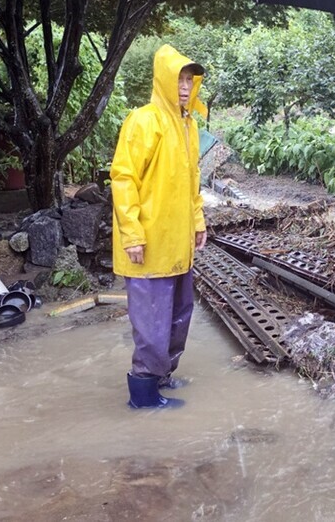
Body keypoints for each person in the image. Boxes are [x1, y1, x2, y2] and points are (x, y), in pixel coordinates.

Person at [110, 44, 208, 409]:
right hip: (148, 243)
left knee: (179, 314)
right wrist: (132, 234)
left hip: (178, 243)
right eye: (178, 78)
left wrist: (198, 222)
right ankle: (144, 396)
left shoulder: (189, 125)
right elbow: (123, 179)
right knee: (151, 324)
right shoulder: (144, 121)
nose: (185, 87)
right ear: (163, 80)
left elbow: (192, 182)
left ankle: (162, 376)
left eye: (189, 79)